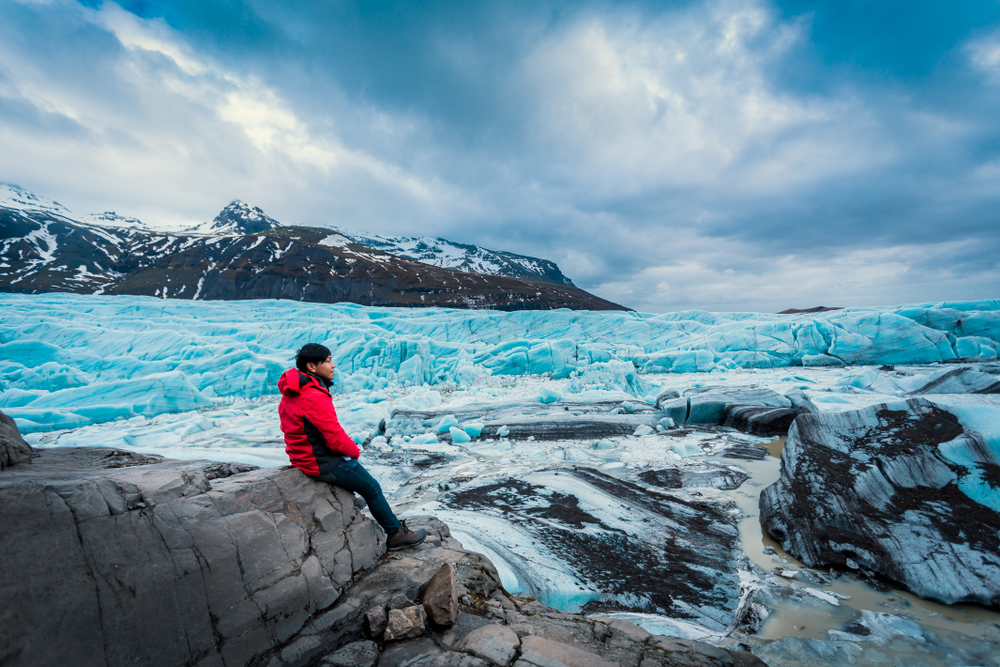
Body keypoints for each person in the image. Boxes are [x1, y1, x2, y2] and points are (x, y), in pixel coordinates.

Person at [278, 343, 426, 550]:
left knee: (356, 475)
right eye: (328, 361)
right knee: (372, 488)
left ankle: (349, 500)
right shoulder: (312, 396)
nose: (333, 365)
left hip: (302, 456)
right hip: (320, 461)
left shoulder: (293, 391)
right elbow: (333, 437)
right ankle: (396, 534)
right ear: (312, 367)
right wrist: (354, 452)